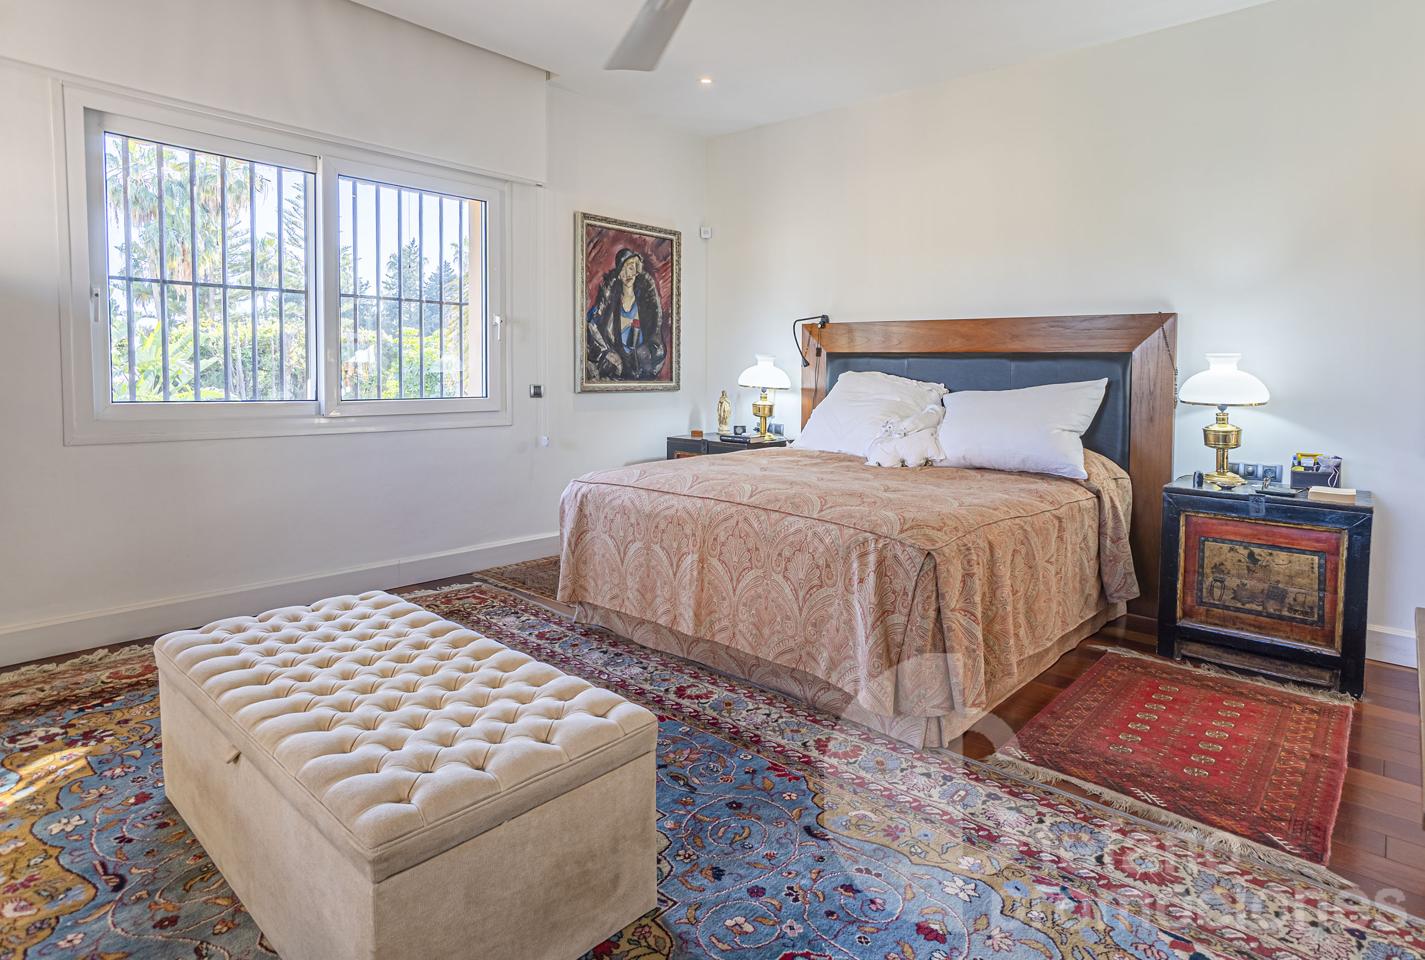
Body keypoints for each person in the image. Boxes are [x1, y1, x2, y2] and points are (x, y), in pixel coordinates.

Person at [585, 247, 665, 381]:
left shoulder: (646, 302)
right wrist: (606, 354)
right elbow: (591, 326)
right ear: (618, 273)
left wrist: (645, 356)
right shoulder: (609, 300)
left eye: (632, 267)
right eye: (624, 268)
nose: (629, 273)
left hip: (642, 369)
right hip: (616, 370)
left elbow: (655, 339)